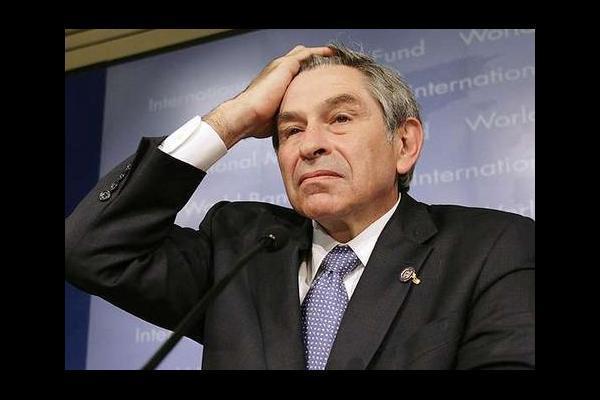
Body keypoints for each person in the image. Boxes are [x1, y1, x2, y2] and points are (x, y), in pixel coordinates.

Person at [65, 43, 535, 370]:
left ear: (404, 143)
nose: (310, 145)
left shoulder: (490, 248)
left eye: (340, 118)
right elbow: (90, 248)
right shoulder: (240, 247)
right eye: (290, 130)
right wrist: (232, 118)